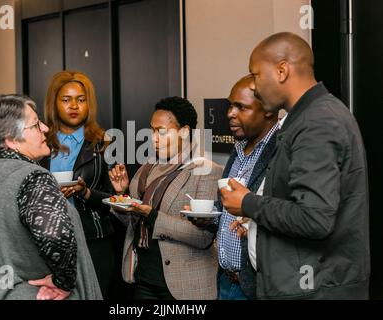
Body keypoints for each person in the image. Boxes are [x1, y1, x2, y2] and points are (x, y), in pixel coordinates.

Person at [221, 32, 370, 299]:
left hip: (313, 289)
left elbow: (314, 217)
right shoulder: (307, 117)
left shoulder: (316, 122)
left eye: (255, 74)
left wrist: (248, 203)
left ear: (281, 70)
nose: (254, 86)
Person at [0, 94, 102, 300]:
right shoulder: (32, 177)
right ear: (12, 139)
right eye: (35, 125)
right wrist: (63, 282)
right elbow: (56, 236)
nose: (46, 128)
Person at [108, 97, 222, 300]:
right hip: (143, 279)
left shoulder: (206, 171)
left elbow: (203, 237)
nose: (154, 138)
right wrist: (121, 195)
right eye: (152, 131)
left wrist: (152, 216)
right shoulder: (147, 168)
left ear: (184, 132)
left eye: (161, 131)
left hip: (185, 286)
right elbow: (133, 222)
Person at [41, 70, 127, 299]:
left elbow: (116, 200)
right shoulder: (40, 145)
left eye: (81, 100)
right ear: (54, 103)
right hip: (48, 241)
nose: (74, 106)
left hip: (94, 241)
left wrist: (86, 193)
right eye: (66, 99)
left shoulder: (105, 144)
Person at [198, 76, 279, 300]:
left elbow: (291, 214)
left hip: (256, 287)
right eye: (230, 105)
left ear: (268, 111)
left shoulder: (283, 148)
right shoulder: (239, 147)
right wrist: (209, 218)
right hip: (226, 279)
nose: (230, 113)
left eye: (240, 107)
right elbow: (229, 207)